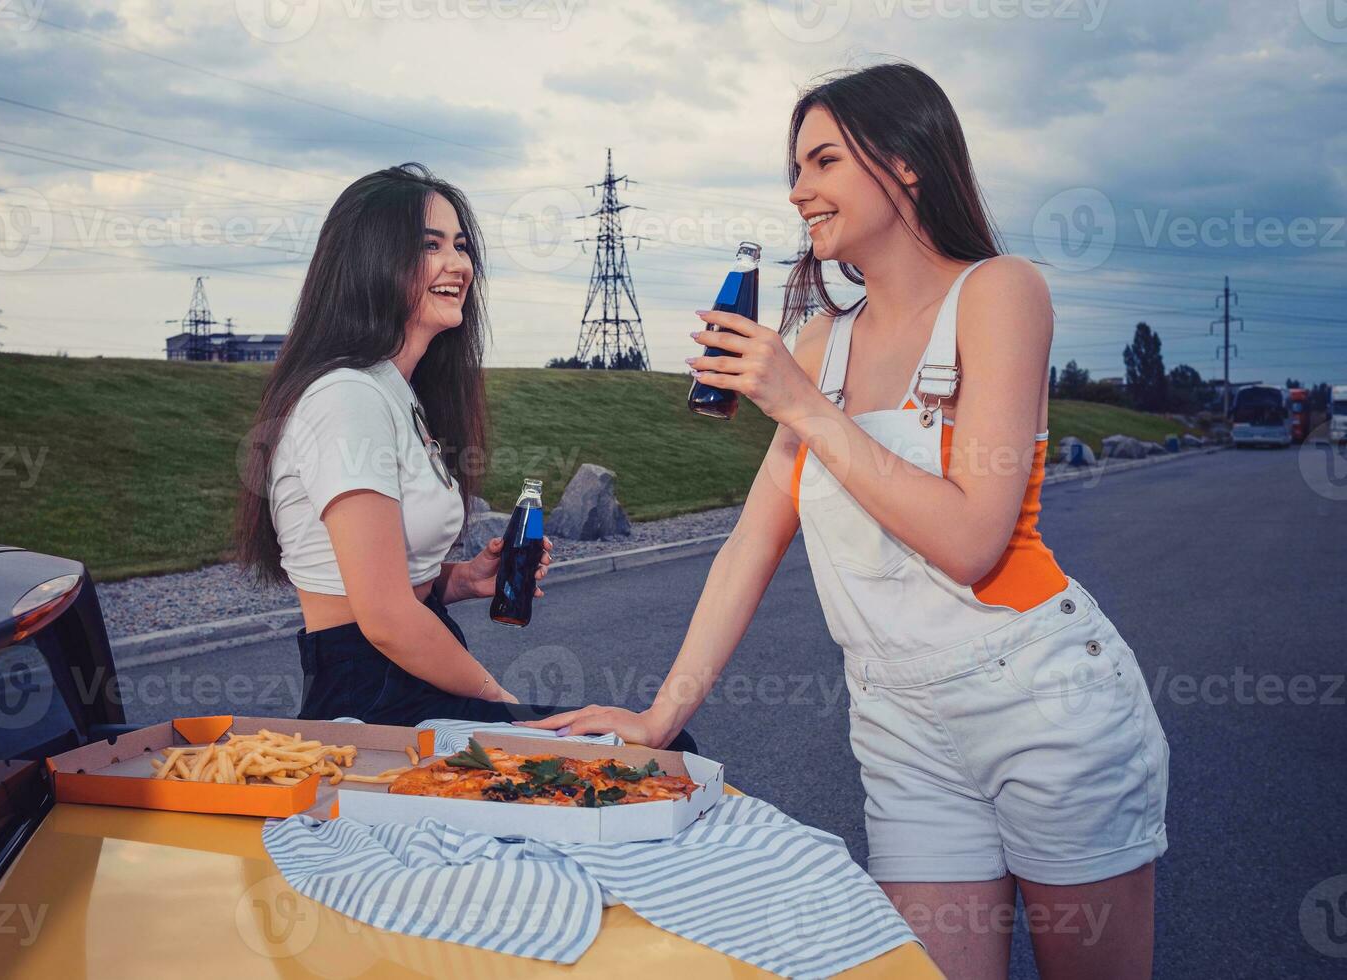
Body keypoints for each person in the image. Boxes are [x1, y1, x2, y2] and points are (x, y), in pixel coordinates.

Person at [525, 66, 1167, 979]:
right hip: (899, 726)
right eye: (794, 168)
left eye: (823, 159)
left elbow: (972, 541)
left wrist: (803, 406)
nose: (798, 191)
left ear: (904, 164)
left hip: (1043, 703)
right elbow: (751, 542)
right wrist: (660, 716)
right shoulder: (821, 344)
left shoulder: (999, 292)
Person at [233, 163, 697, 751]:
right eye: (430, 246)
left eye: (460, 244)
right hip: (373, 695)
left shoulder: (394, 392)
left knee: (653, 754)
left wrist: (459, 580)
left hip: (405, 676)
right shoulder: (347, 398)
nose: (458, 264)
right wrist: (508, 710)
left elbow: (376, 579)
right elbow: (382, 618)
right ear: (370, 261)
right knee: (652, 756)